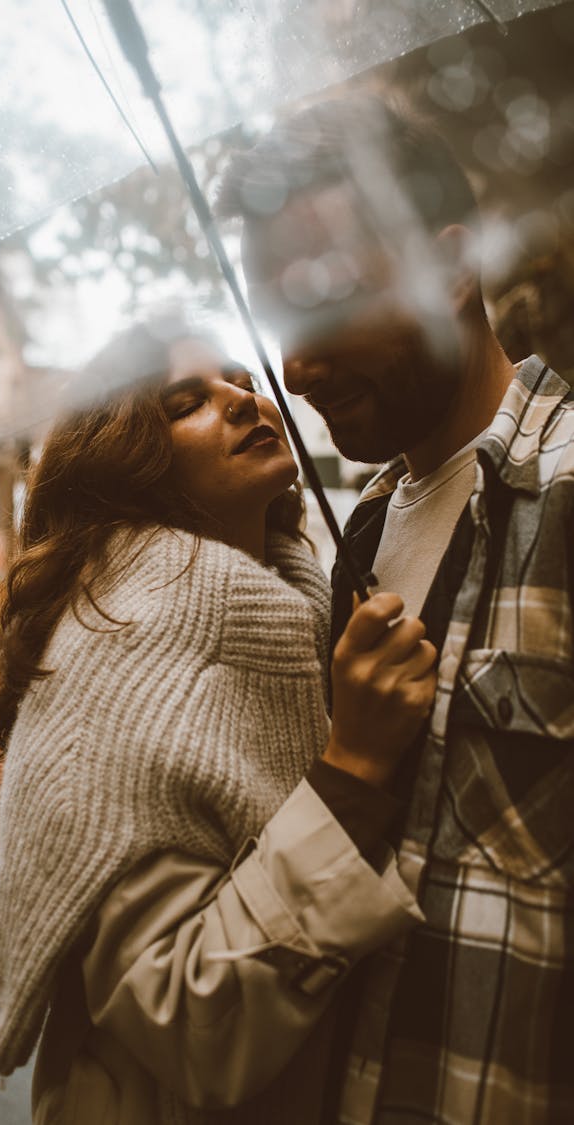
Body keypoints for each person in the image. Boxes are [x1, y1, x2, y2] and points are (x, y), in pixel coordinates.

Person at [219, 92, 574, 1122]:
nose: (296, 368)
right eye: (281, 322)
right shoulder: (351, 545)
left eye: (325, 304)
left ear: (452, 269)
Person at [0, 320, 437, 1124]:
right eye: (185, 401)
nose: (239, 399)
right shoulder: (118, 643)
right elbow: (188, 1020)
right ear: (124, 461)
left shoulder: (303, 609)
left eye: (237, 378)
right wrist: (354, 771)